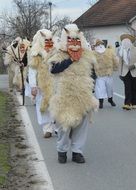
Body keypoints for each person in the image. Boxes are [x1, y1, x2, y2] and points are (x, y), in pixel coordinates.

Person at [48, 24, 98, 164]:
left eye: (77, 41)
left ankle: (77, 152)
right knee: (64, 124)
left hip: (82, 95)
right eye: (71, 40)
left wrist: (91, 89)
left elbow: (93, 73)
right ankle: (62, 151)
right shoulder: (57, 53)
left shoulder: (86, 54)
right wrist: (70, 60)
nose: (74, 44)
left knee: (81, 125)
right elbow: (53, 69)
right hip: (64, 95)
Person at [28, 29, 56, 138]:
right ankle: (47, 129)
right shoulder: (36, 54)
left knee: (56, 104)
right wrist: (33, 86)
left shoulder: (57, 52)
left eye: (50, 40)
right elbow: (32, 71)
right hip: (42, 85)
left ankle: (57, 127)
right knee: (43, 106)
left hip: (55, 83)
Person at [93, 39, 119, 108]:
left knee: (109, 88)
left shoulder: (110, 52)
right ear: (96, 46)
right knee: (100, 89)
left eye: (101, 44)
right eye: (98, 44)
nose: (100, 46)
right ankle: (100, 102)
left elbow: (115, 59)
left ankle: (110, 100)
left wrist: (116, 67)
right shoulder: (93, 53)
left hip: (108, 73)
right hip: (99, 74)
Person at [118, 34, 136, 110]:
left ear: (130, 42)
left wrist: (134, 65)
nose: (125, 42)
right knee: (127, 88)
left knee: (134, 88)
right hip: (125, 72)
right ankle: (127, 104)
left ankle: (134, 103)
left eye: (127, 41)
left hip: (135, 72)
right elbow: (120, 63)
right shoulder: (121, 51)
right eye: (124, 41)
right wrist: (120, 74)